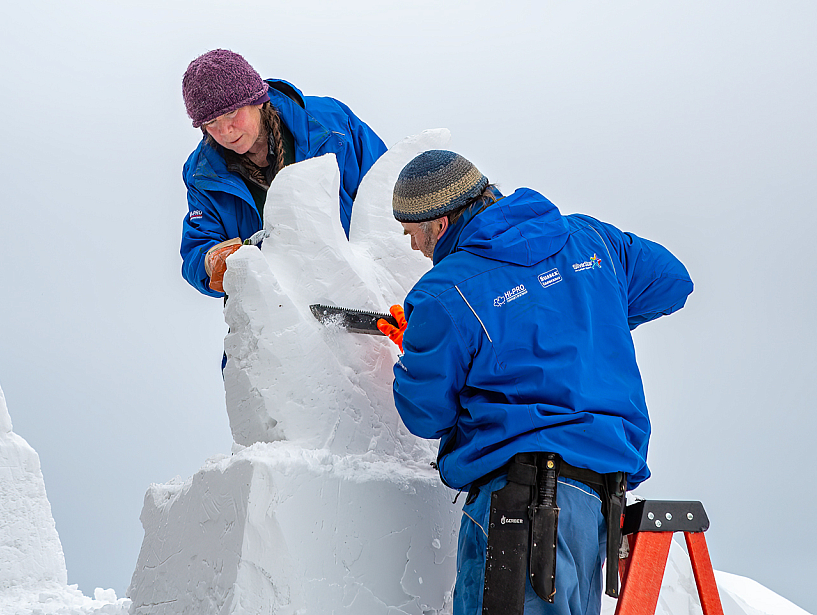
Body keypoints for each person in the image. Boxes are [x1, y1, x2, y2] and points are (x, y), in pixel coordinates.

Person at [376, 150, 693, 615]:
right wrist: (585, 316)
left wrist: (421, 349)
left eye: (411, 234)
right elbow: (671, 280)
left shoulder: (445, 292)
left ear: (439, 224)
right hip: (599, 505)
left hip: (521, 511)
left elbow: (427, 414)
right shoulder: (591, 239)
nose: (413, 248)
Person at [179, 49, 387, 296]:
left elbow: (386, 191)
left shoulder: (333, 125)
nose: (225, 131)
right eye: (211, 123)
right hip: (279, 313)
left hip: (364, 291)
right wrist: (212, 262)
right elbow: (198, 247)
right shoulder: (202, 175)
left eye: (231, 113)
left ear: (257, 99)